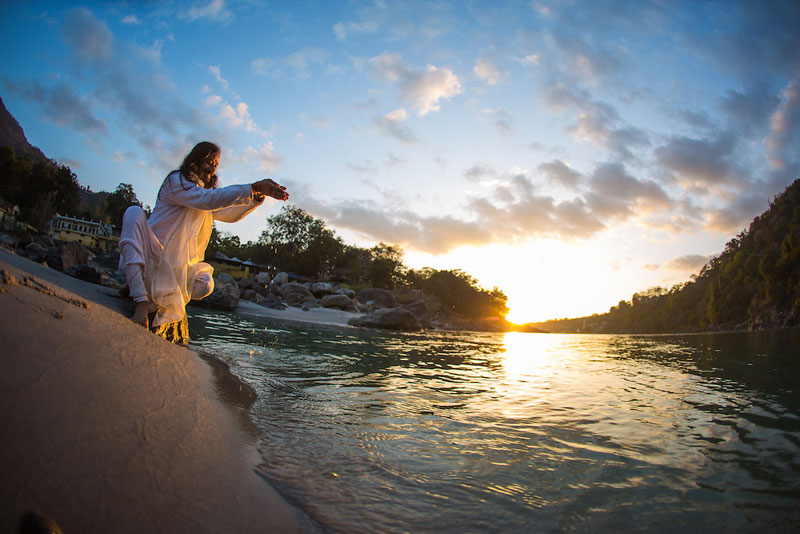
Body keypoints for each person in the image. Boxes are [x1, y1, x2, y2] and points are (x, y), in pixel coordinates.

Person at [119, 141, 288, 332]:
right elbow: (207, 201)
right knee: (134, 212)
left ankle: (149, 291)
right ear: (195, 160)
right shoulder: (177, 182)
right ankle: (141, 300)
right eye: (209, 161)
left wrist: (256, 197)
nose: (212, 168)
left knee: (205, 285)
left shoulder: (203, 194)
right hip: (151, 254)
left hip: (175, 268)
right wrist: (255, 187)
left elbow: (228, 214)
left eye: (216, 164)